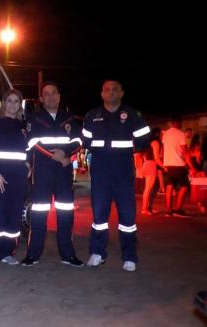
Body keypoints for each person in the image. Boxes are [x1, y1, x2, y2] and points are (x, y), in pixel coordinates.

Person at [82, 80, 150, 272]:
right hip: (101, 174)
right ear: (101, 93)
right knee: (99, 217)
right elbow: (85, 141)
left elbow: (144, 138)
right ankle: (97, 253)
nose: (110, 93)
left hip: (124, 175)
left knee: (127, 218)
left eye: (114, 90)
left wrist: (133, 147)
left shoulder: (132, 115)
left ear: (121, 93)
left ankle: (129, 256)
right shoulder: (92, 116)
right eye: (107, 90)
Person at [22, 81, 84, 267]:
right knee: (39, 214)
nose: (50, 96)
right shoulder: (34, 118)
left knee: (66, 214)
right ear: (41, 99)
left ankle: (68, 255)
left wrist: (67, 155)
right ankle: (33, 254)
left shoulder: (68, 118)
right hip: (43, 172)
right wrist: (56, 156)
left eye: (53, 93)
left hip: (64, 172)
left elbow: (78, 141)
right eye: (46, 94)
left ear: (59, 96)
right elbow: (33, 143)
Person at [0, 89, 29, 267]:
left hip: (18, 176)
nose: (12, 104)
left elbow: (28, 149)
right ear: (3, 102)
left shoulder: (23, 125)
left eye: (16, 101)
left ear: (20, 104)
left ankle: (7, 252)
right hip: (0, 175)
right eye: (9, 101)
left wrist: (28, 164)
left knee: (13, 215)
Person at [162, 115, 198, 217]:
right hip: (178, 164)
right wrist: (192, 167)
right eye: (181, 122)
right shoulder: (180, 134)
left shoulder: (166, 134)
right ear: (177, 122)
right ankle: (178, 209)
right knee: (184, 186)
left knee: (169, 186)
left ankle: (168, 210)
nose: (181, 124)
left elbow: (164, 149)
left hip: (168, 164)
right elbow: (185, 152)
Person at [140, 128, 165, 215]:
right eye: (161, 134)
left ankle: (149, 208)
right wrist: (164, 167)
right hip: (151, 165)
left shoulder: (149, 143)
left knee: (154, 187)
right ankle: (144, 209)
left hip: (147, 164)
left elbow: (143, 155)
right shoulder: (155, 143)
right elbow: (157, 158)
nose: (162, 136)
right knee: (148, 189)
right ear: (157, 134)